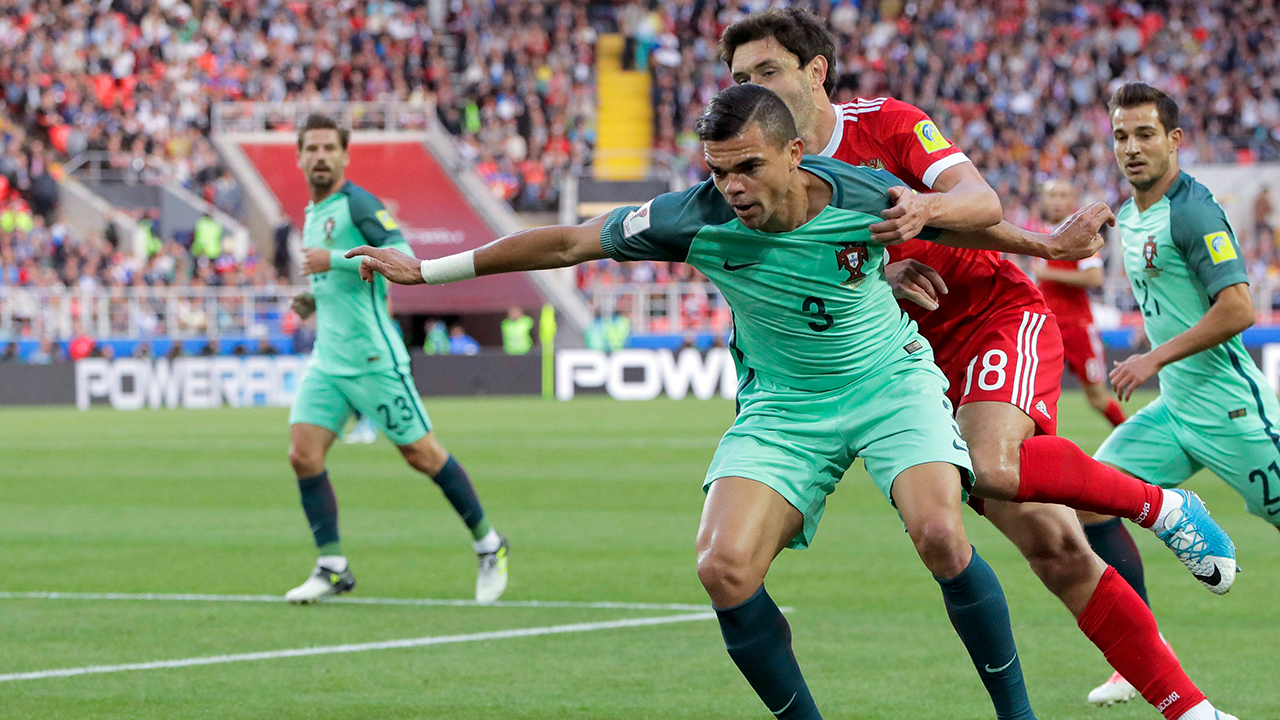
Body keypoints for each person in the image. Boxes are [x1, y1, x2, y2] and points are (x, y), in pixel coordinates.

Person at [354, 83, 1072, 720]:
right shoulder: (688, 218)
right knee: (722, 568)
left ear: (795, 153)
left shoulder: (865, 195)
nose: (732, 186)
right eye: (719, 170)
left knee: (941, 533)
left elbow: (974, 223)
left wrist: (1047, 245)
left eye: (748, 166)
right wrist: (428, 271)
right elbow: (570, 243)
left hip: (889, 382)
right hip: (785, 406)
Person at [717, 9, 1236, 720]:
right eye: (740, 78)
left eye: (767, 71)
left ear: (815, 72)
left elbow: (978, 201)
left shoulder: (888, 124)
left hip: (995, 317)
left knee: (993, 464)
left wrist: (926, 210)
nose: (753, 88)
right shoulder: (756, 170)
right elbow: (797, 272)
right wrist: (883, 275)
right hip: (909, 363)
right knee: (1054, 544)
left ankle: (1166, 506)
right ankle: (1194, 710)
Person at [1075, 81, 1280, 707]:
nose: (1131, 148)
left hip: (1231, 410)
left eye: (1145, 134)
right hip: (1175, 411)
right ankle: (1140, 657)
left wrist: (1154, 356)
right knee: (1087, 501)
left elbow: (1239, 308)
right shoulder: (1130, 215)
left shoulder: (1193, 211)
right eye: (1121, 136)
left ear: (1174, 140)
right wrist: (1154, 336)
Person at [284, 113, 508, 605]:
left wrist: (333, 259)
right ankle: (332, 567)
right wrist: (314, 297)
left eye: (329, 148)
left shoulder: (358, 203)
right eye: (312, 148)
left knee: (422, 455)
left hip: (373, 359)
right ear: (299, 157)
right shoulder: (313, 210)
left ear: (345, 155)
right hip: (329, 359)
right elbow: (341, 284)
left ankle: (489, 544)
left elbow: (399, 250)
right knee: (303, 454)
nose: (320, 156)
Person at [1029, 179, 1126, 426]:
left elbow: (1095, 278)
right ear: (1044, 200)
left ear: (1073, 200)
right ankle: (1039, 446)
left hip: (1077, 327)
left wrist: (1048, 274)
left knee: (1097, 398)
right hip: (1047, 327)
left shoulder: (1080, 236)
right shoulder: (1038, 233)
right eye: (1053, 195)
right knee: (1034, 397)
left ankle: (1133, 439)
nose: (1057, 201)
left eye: (1063, 195)